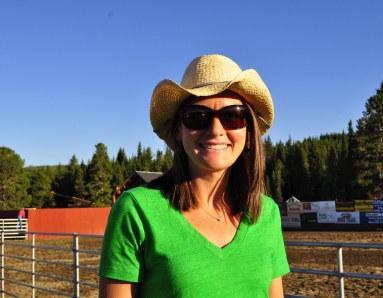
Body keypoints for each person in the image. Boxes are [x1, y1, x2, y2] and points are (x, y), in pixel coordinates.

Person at [98, 54, 289, 297]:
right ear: (179, 130)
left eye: (233, 116)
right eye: (197, 117)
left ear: (248, 130)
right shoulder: (136, 210)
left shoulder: (267, 213)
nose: (216, 130)